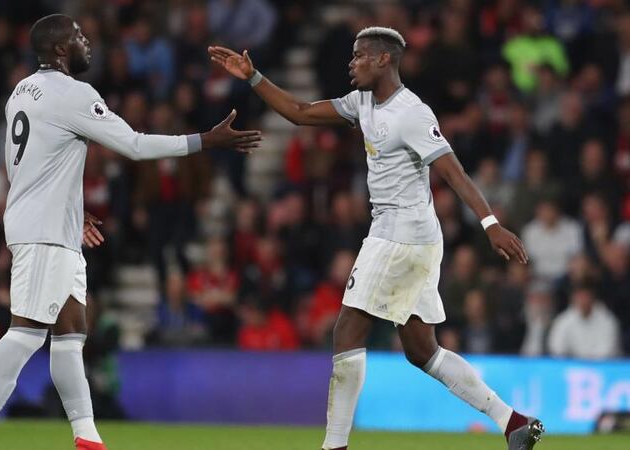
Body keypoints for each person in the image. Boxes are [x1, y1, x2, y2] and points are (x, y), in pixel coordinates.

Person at [209, 26, 543, 450]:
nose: (351, 63)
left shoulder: (412, 113)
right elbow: (299, 111)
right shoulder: (362, 102)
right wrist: (254, 77)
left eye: (359, 55)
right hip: (411, 236)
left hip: (399, 234)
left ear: (384, 59)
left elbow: (452, 170)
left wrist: (489, 223)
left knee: (347, 329)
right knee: (423, 351)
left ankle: (334, 446)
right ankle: (511, 421)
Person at [0, 13, 261, 450]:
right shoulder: (73, 94)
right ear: (60, 49)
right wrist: (204, 141)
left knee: (71, 333)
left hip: (52, 223)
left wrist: (73, 209)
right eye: (77, 36)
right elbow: (132, 144)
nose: (86, 42)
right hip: (45, 231)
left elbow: (34, 160)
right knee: (26, 333)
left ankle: (87, 439)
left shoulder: (21, 90)